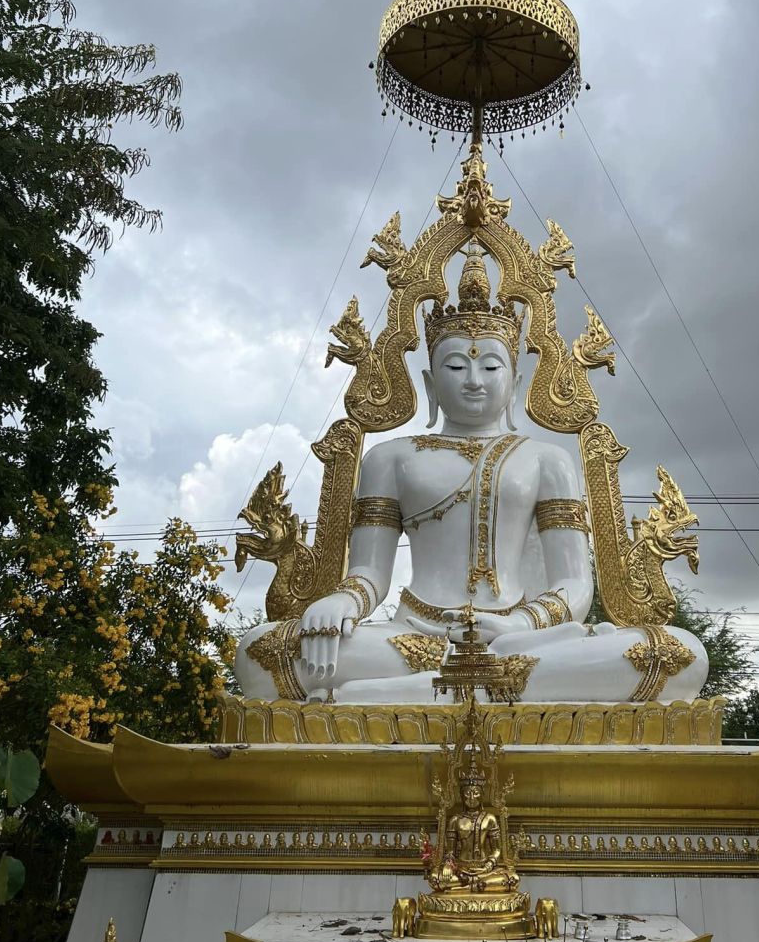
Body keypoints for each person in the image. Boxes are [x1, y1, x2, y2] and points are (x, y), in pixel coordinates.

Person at [234, 245, 707, 704]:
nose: (474, 379)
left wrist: (521, 624)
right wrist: (343, 603)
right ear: (429, 384)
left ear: (517, 382)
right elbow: (368, 573)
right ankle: (478, 687)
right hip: (415, 640)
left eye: (491, 365)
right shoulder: (391, 458)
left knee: (679, 654)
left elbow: (575, 586)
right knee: (261, 652)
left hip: (520, 639)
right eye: (456, 365)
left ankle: (414, 694)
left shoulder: (547, 459)